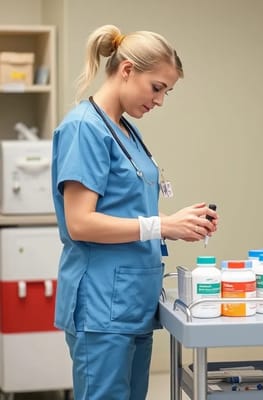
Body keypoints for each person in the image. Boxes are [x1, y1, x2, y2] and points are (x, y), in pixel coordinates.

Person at [51, 24, 218, 400]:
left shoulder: (124, 129)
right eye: (156, 87)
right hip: (101, 304)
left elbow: (128, 209)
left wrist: (180, 222)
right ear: (126, 70)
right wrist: (163, 225)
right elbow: (80, 223)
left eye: (166, 92)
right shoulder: (84, 129)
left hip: (130, 301)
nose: (159, 100)